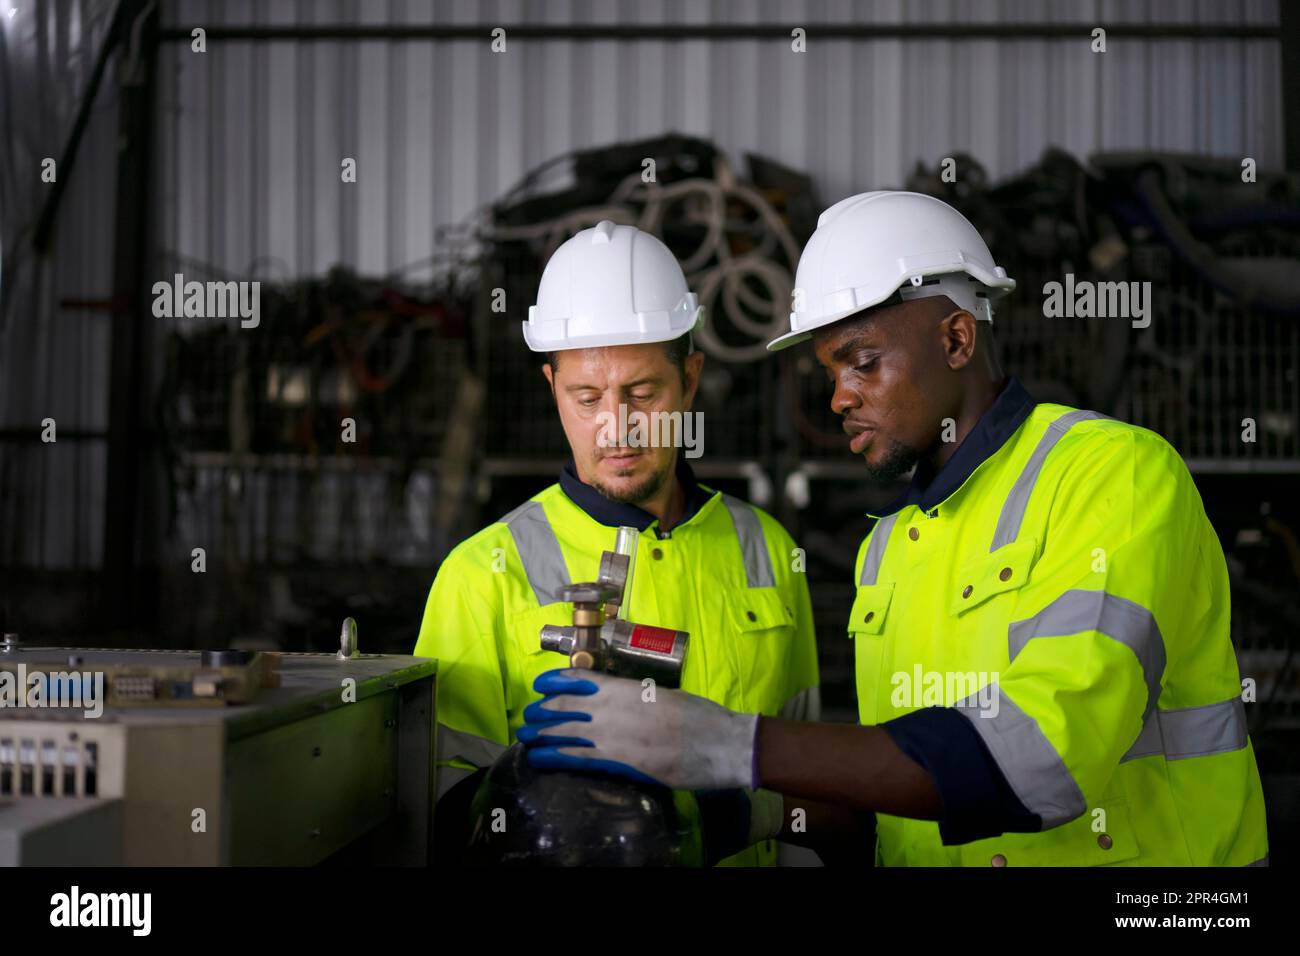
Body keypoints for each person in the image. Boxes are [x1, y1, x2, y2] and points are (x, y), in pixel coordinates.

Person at [518, 192, 1269, 867]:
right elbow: (896, 803)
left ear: (955, 340)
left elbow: (1046, 759)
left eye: (862, 363)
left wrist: (731, 744)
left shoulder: (1112, 476)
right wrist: (738, 814)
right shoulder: (888, 547)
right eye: (830, 371)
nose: (839, 398)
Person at [415, 220, 819, 866]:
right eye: (586, 397)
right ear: (552, 392)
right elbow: (444, 813)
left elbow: (806, 774)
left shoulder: (766, 550)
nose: (617, 426)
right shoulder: (481, 573)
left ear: (689, 380)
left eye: (642, 392)